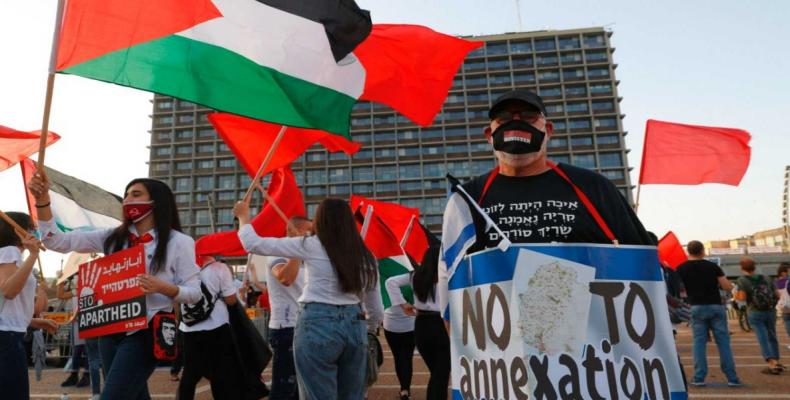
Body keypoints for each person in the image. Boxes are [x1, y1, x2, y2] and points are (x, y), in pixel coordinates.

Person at [28, 174, 202, 400]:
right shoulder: (111, 237)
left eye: (136, 194)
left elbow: (195, 293)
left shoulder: (179, 242)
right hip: (109, 329)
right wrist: (42, 201)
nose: (128, 200)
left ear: (157, 202)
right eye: (127, 195)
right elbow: (56, 241)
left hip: (146, 331)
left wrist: (164, 288)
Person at [458, 89, 651, 254]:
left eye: (528, 117)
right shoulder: (468, 197)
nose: (516, 125)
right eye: (504, 119)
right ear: (489, 135)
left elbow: (642, 258)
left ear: (548, 130)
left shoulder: (593, 188)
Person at [235, 198, 384, 400]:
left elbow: (252, 243)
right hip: (354, 324)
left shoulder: (310, 245)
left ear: (320, 221)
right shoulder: (367, 255)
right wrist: (371, 328)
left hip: (316, 322)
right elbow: (375, 307)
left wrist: (244, 216)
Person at [0, 212, 58, 400]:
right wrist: (33, 255)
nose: (35, 231)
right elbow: (8, 291)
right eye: (31, 227)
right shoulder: (10, 251)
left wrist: (33, 321)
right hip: (7, 338)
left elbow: (7, 305)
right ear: (19, 231)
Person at [386, 247, 449, 400]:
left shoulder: (415, 276)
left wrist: (402, 304)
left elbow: (390, 282)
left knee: (436, 373)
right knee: (441, 375)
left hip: (421, 326)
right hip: (440, 325)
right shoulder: (445, 276)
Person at [177, 255, 244, 399]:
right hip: (217, 326)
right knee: (219, 373)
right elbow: (231, 300)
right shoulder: (220, 268)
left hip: (189, 328)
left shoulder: (187, 269)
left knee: (189, 374)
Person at [676, 241, 742, 386]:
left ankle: (699, 377)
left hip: (695, 307)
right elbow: (726, 286)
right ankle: (732, 377)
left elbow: (678, 289)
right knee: (723, 342)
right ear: (703, 251)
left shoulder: (681, 268)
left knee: (699, 342)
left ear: (688, 251)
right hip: (715, 305)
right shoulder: (712, 266)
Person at [265, 216, 311, 400]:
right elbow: (285, 278)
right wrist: (296, 248)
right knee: (284, 389)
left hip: (307, 325)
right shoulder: (278, 253)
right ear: (295, 231)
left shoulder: (309, 256)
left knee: (301, 389)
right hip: (286, 328)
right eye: (310, 231)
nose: (314, 236)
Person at [736, 257, 782, 375]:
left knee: (762, 337)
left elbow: (742, 298)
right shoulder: (767, 278)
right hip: (770, 311)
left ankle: (771, 363)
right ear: (755, 267)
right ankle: (776, 361)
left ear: (742, 268)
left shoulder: (742, 280)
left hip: (755, 311)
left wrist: (736, 295)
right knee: (772, 335)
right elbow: (777, 295)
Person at [57, 278, 93, 389]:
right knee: (77, 350)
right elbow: (61, 295)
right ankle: (74, 375)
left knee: (88, 350)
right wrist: (61, 281)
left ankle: (87, 376)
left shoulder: (90, 286)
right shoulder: (76, 290)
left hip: (89, 321)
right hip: (76, 323)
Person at [382, 294, 415, 400]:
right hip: (410, 323)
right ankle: (405, 390)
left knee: (398, 357)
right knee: (407, 358)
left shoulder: (385, 278)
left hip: (391, 323)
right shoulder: (411, 278)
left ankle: (403, 389)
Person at [774, 262, 790, 347]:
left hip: (784, 306)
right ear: (783, 272)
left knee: (787, 322)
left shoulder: (776, 283)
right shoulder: (787, 281)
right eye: (787, 271)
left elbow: (777, 295)